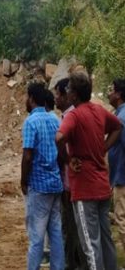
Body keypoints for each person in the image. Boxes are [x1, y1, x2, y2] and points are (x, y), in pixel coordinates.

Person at [56, 72, 122, 270]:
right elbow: (117, 127)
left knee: (90, 244)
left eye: (68, 91)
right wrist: (103, 147)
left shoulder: (74, 115)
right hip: (102, 185)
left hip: (84, 189)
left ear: (74, 95)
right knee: (106, 239)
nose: (67, 94)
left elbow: (59, 138)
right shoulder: (99, 111)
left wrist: (68, 159)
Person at [21, 82, 64, 270]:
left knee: (36, 237)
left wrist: (23, 180)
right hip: (56, 183)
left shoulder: (30, 122)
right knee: (55, 233)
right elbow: (62, 152)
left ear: (31, 98)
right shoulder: (55, 120)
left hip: (38, 185)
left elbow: (28, 155)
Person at [53, 78, 87, 270]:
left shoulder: (71, 118)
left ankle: (76, 264)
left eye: (58, 94)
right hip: (70, 182)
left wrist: (67, 181)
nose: (56, 98)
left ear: (67, 95)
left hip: (72, 183)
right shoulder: (68, 117)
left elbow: (65, 148)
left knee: (74, 228)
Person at [107, 79, 125, 259]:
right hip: (119, 175)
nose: (108, 93)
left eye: (111, 90)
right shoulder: (119, 114)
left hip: (122, 177)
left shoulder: (121, 118)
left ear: (119, 94)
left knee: (122, 219)